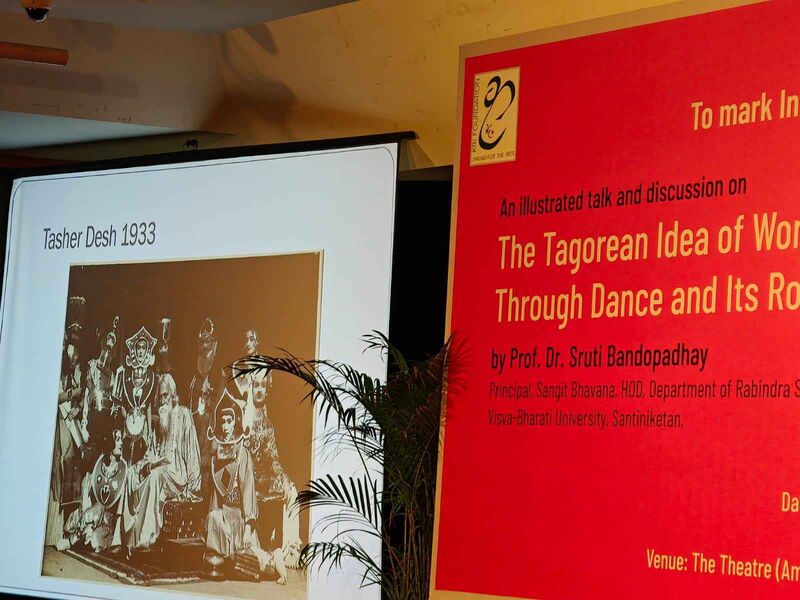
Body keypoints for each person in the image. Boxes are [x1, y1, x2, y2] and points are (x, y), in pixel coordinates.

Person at [205, 390, 287, 583]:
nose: (225, 426)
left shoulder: (242, 452)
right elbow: (216, 492)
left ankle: (274, 559)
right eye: (223, 421)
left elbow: (248, 488)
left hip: (238, 518)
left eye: (229, 421)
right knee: (214, 518)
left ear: (235, 422)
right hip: (222, 514)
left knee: (253, 563)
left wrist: (249, 528)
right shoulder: (217, 454)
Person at [123, 374, 202, 550]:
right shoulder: (160, 420)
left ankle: (147, 538)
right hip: (160, 471)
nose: (162, 400)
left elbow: (192, 452)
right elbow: (151, 452)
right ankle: (128, 537)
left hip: (177, 476)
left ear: (173, 395)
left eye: (165, 395)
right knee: (131, 473)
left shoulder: (183, 414)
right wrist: (143, 466)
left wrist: (193, 488)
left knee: (154, 477)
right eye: (159, 397)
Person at [46, 297, 86, 546]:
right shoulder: (55, 362)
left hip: (69, 418)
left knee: (70, 462)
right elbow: (56, 394)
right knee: (57, 466)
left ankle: (63, 525)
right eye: (70, 338)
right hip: (56, 418)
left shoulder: (77, 366)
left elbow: (80, 393)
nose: (71, 342)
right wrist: (71, 394)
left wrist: (77, 406)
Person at [61, 421, 127, 553]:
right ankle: (73, 539)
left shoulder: (123, 468)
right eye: (117, 439)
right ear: (110, 442)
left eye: (121, 440)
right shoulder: (99, 465)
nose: (121, 443)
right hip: (96, 512)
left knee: (95, 539)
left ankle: (75, 539)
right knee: (89, 516)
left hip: (108, 518)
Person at [189, 318, 223, 506]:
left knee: (207, 458)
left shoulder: (217, 370)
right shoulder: (196, 368)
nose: (203, 345)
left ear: (213, 342)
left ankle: (205, 501)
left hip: (211, 419)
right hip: (198, 417)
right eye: (201, 341)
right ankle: (195, 495)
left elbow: (220, 396)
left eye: (207, 341)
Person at [113, 326, 158, 465]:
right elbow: (120, 404)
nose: (141, 351)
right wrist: (127, 416)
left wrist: (149, 431)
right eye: (138, 347)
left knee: (141, 460)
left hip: (143, 426)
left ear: (148, 350)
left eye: (144, 347)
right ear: (134, 349)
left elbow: (149, 407)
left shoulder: (152, 377)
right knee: (125, 460)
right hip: (127, 426)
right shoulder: (124, 374)